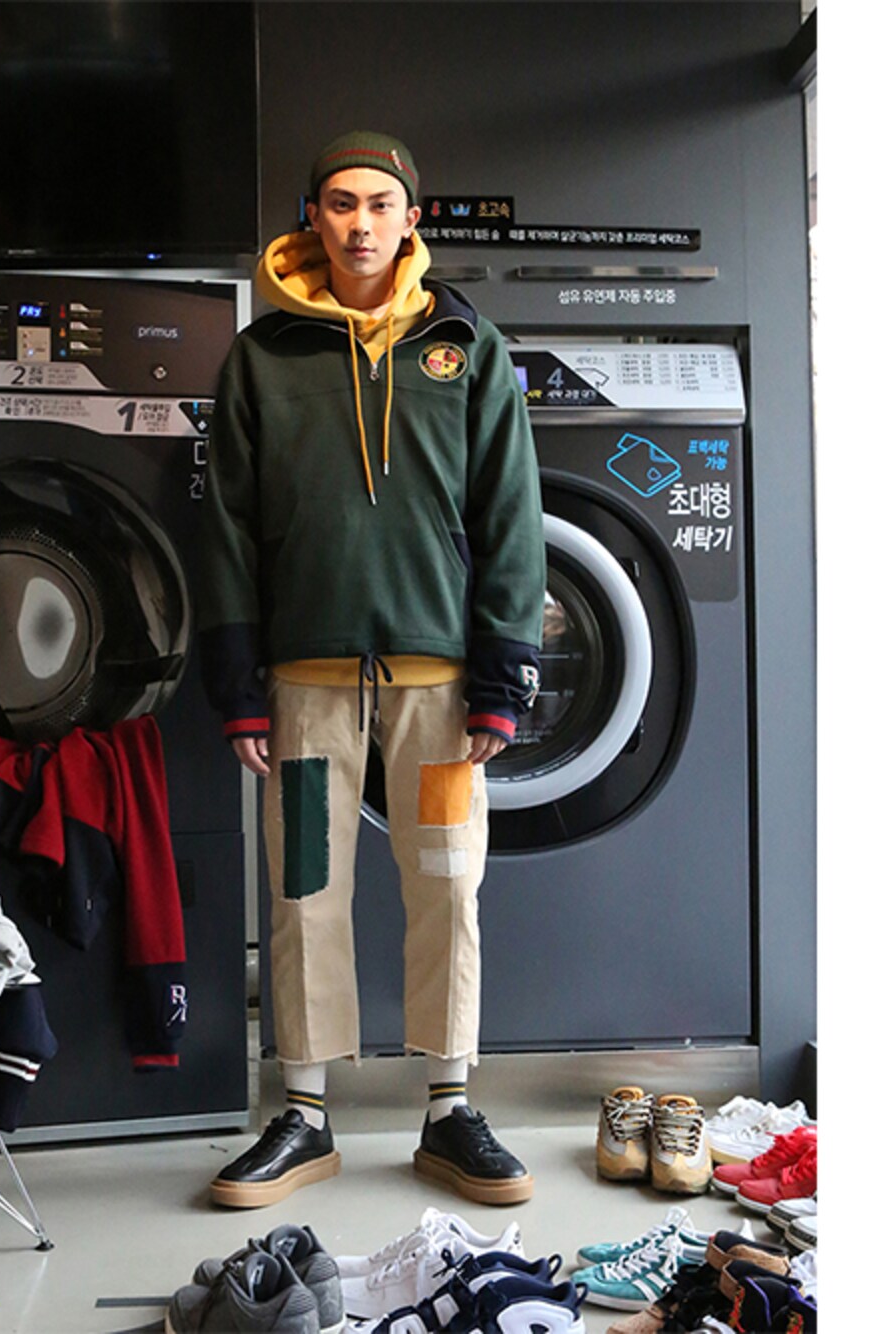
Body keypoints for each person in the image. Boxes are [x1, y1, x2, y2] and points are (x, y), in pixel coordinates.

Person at [199, 130, 545, 1209]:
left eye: (379, 203)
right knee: (305, 888)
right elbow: (227, 530)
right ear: (313, 217)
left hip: (437, 686)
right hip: (305, 684)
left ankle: (449, 1109)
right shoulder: (262, 356)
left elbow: (510, 509)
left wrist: (503, 673)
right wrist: (238, 684)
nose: (360, 222)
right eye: (341, 202)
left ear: (410, 220)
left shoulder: (462, 345)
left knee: (446, 881)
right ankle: (303, 1114)